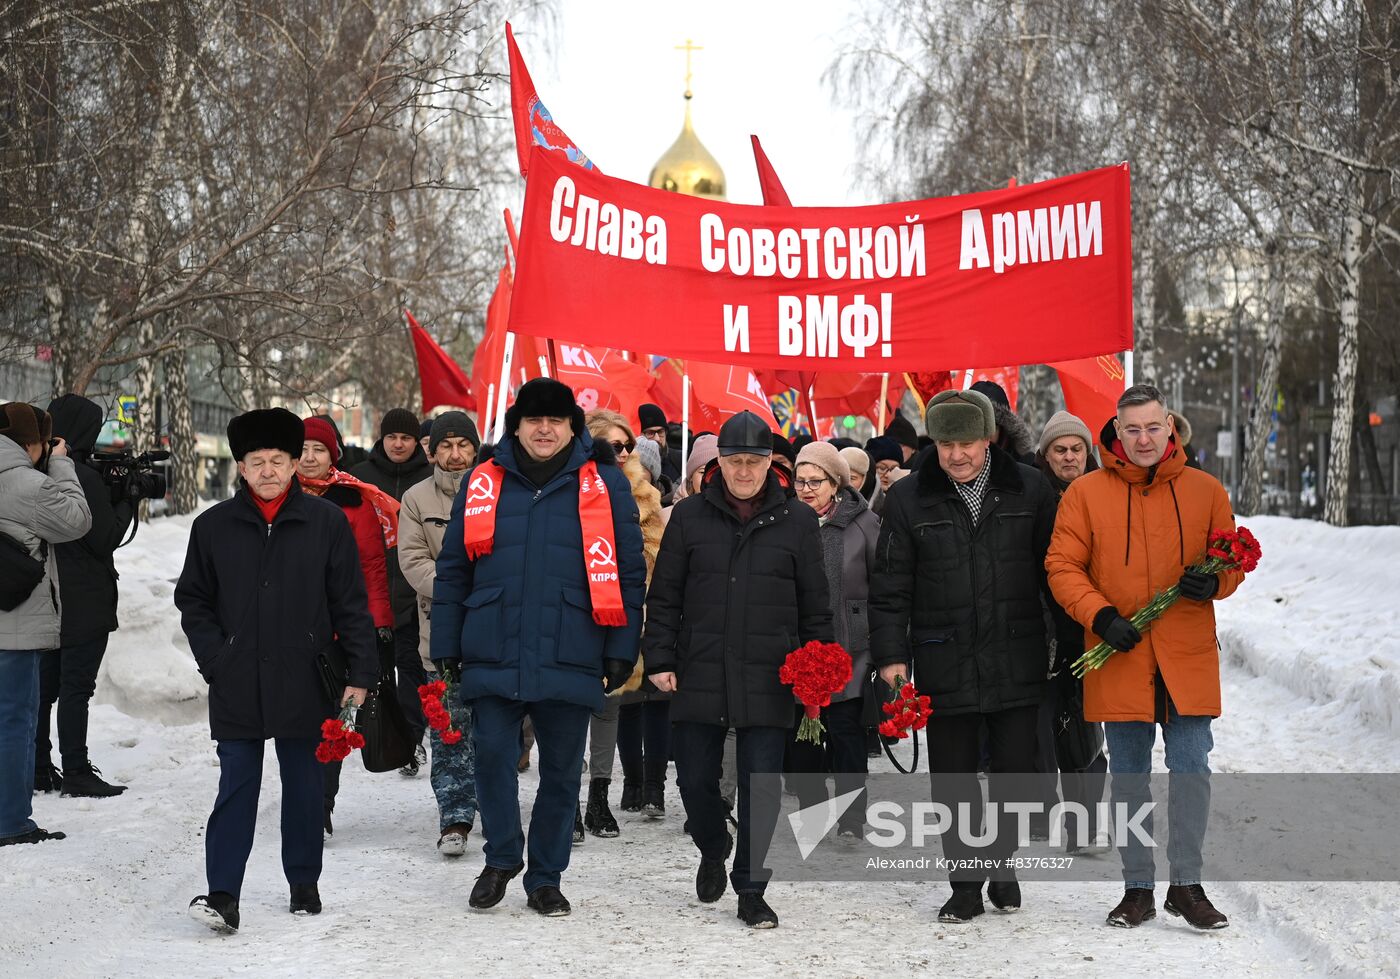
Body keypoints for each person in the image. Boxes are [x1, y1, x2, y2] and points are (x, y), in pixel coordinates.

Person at [432, 378, 645, 918]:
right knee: (493, 758)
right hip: (494, 641)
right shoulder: (484, 481)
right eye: (533, 420)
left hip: (573, 643)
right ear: (517, 426)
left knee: (561, 772)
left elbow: (627, 570)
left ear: (572, 426)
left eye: (555, 420)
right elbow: (454, 568)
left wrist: (622, 646)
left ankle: (546, 878)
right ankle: (502, 856)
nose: (544, 429)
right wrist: (447, 642)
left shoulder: (606, 483)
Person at [1047, 385, 1243, 931]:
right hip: (1120, 653)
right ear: (1116, 431)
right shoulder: (1087, 493)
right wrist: (1100, 615)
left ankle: (1186, 884)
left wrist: (1215, 581)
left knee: (1190, 772)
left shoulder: (1206, 490)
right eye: (1132, 429)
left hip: (1186, 656)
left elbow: (1231, 559)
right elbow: (1062, 565)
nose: (1143, 439)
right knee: (1130, 776)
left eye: (1153, 428)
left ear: (1171, 429)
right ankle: (1137, 889)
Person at [175, 408, 378, 933]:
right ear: (241, 468)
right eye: (256, 462)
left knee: (306, 785)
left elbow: (351, 602)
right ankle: (223, 893)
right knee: (237, 785)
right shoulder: (212, 526)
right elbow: (193, 600)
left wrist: (360, 672)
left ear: (294, 465)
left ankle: (304, 883)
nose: (267, 471)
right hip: (237, 678)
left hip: (305, 676)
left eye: (278, 461)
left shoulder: (326, 524)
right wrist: (216, 659)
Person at [870, 389, 1057, 924]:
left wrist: (1068, 641)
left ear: (989, 439)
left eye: (968, 442)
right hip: (942, 655)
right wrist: (891, 659)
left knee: (1016, 776)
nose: (957, 455)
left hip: (1016, 654)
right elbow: (889, 587)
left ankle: (1002, 862)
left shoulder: (1031, 488)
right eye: (946, 443)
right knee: (952, 780)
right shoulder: (909, 499)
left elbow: (1055, 572)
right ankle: (965, 885)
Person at [644, 410, 833, 930]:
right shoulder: (688, 517)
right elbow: (665, 598)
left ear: (771, 464)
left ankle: (751, 887)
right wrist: (658, 658)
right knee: (695, 782)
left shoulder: (796, 519)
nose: (744, 471)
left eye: (754, 461)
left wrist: (817, 667)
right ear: (718, 463)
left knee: (762, 786)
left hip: (771, 671)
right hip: (699, 668)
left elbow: (816, 604)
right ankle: (712, 843)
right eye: (734, 461)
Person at [297, 415, 397, 836]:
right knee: (297, 722)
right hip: (289, 628)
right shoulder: (272, 496)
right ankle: (302, 797)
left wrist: (377, 624)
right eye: (301, 449)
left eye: (318, 449)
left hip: (339, 629)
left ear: (333, 454)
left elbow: (373, 567)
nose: (309, 457)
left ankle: (320, 805)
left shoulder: (355, 501)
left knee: (335, 719)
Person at [0, 403, 91, 847]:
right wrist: (61, 464)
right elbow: (76, 521)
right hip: (11, 625)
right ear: (31, 442)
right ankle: (10, 820)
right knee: (14, 720)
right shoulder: (25, 482)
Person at [35, 395, 136, 797]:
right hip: (84, 600)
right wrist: (128, 500)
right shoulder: (82, 476)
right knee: (76, 689)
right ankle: (76, 769)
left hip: (46, 599)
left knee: (44, 692)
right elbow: (105, 537)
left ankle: (38, 767)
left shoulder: (36, 469)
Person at [577, 408, 666, 837]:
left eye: (627, 445)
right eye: (614, 445)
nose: (624, 453)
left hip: (623, 609)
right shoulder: (569, 484)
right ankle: (568, 802)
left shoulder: (642, 492)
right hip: (576, 609)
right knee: (570, 708)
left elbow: (653, 556)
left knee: (610, 703)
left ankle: (599, 797)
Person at [399, 411, 480, 856]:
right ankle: (455, 817)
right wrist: (459, 588)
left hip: (492, 637)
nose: (454, 454)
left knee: (493, 732)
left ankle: (493, 803)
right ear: (432, 450)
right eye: (446, 445)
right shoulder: (415, 498)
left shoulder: (494, 490)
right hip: (439, 637)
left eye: (463, 445)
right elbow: (412, 561)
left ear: (474, 447)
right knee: (447, 732)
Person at [788, 441, 879, 839]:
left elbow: (883, 583)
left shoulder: (865, 523)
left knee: (846, 735)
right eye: (800, 480)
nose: (806, 489)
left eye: (815, 481)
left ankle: (852, 818)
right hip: (800, 647)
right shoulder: (787, 521)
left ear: (836, 483)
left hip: (851, 647)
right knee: (805, 737)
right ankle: (811, 811)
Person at [1034, 411, 1108, 851]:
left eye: (1076, 448)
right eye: (1059, 450)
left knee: (1085, 731)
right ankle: (1041, 816)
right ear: (1046, 455)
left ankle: (1082, 829)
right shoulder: (1034, 496)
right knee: (1041, 733)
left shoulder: (1105, 494)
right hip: (1040, 631)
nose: (1068, 456)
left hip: (1090, 629)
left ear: (1087, 452)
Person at [351, 408, 433, 776]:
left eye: (406, 438)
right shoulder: (359, 479)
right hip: (372, 596)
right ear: (381, 439)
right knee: (378, 675)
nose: (398, 444)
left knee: (413, 674)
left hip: (417, 598)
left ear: (416, 441)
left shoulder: (429, 477)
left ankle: (413, 740)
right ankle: (380, 738)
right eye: (392, 437)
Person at [970, 380, 1036, 465]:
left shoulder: (1027, 469)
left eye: (990, 426)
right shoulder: (952, 467)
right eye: (976, 425)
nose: (983, 435)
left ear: (1002, 430)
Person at [638, 403, 682, 486]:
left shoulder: (681, 461)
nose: (657, 438)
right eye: (650, 433)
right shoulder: (628, 465)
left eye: (660, 432)